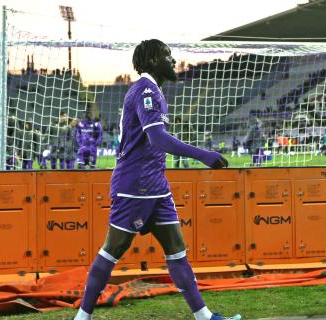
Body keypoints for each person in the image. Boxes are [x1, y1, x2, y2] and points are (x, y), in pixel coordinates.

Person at [73, 39, 239, 320]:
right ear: (151, 60)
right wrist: (202, 154)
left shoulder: (153, 91)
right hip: (135, 185)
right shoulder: (146, 90)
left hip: (156, 186)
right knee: (113, 249)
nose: (173, 60)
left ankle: (205, 317)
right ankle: (82, 317)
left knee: (177, 251)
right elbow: (158, 138)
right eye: (167, 55)